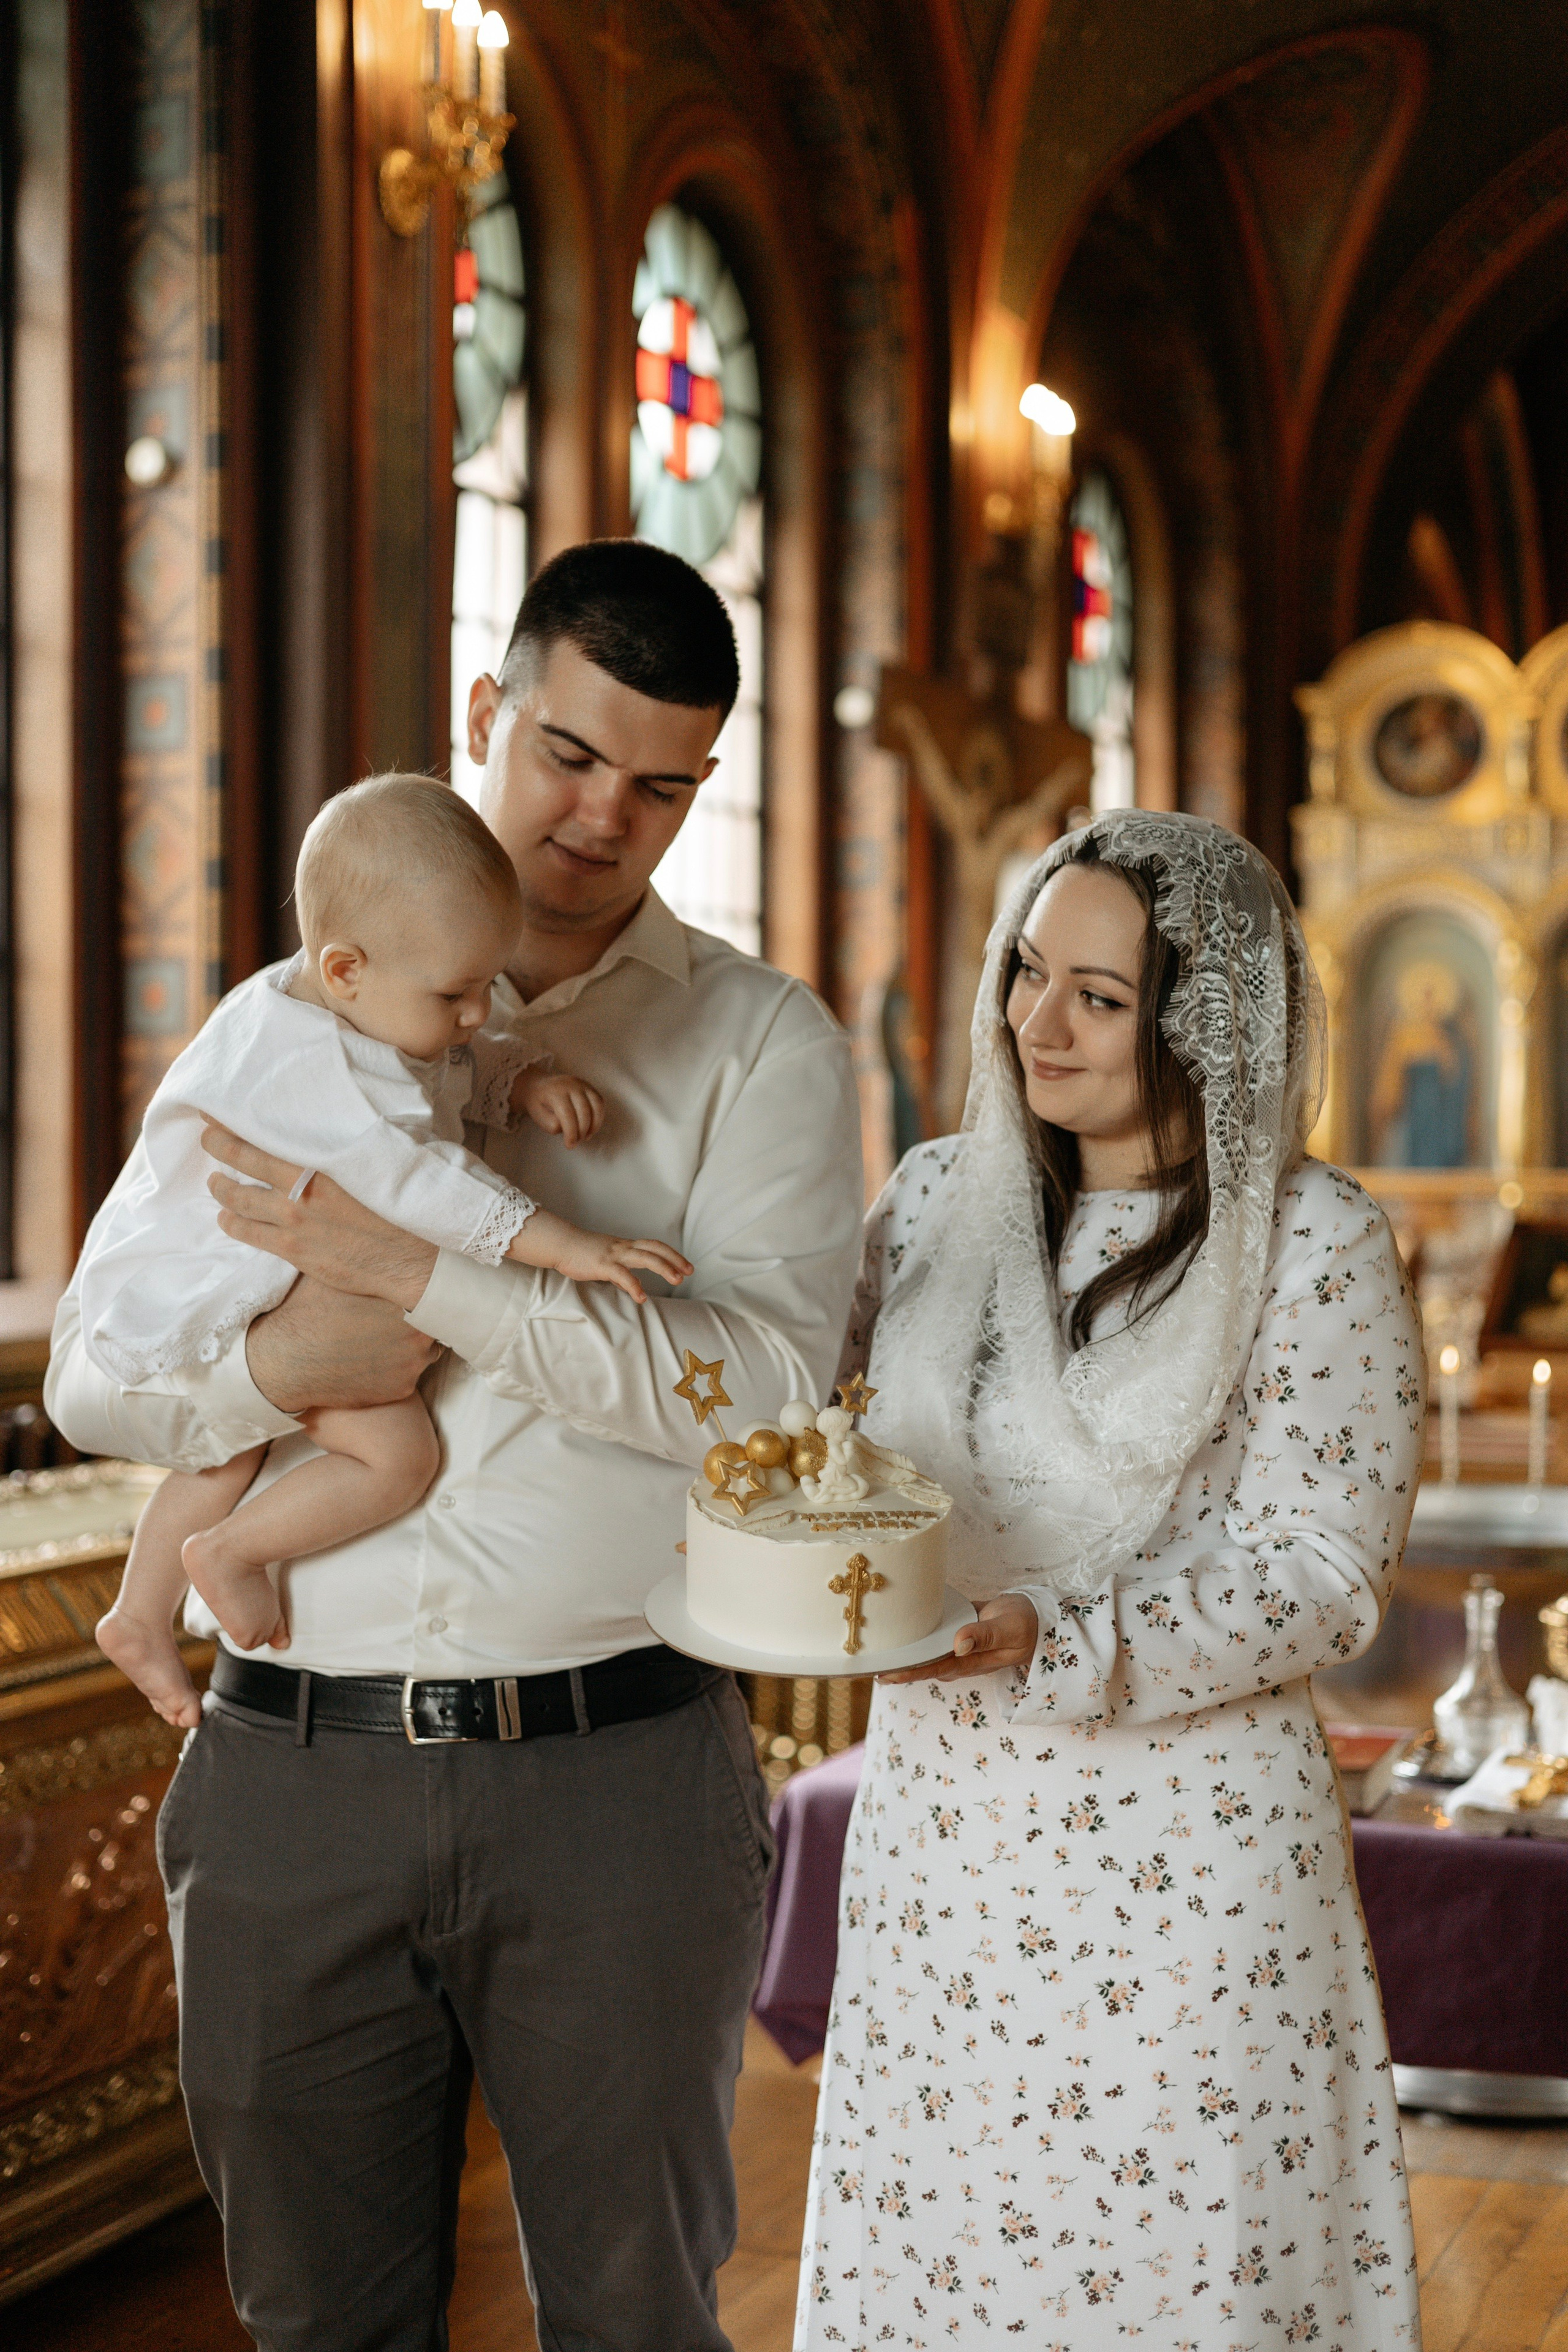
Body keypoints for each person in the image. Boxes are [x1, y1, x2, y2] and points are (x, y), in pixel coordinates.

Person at [46, 538, 864, 2352]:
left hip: (620, 1780)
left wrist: (422, 1274)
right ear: (489, 710)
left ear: (700, 789)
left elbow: (764, 1399)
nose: (600, 817)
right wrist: (296, 1356)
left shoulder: (759, 1048)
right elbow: (100, 1379)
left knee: (637, 2319)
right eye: (570, 754)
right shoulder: (286, 1023)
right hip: (284, 1772)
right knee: (319, 2327)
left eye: (658, 786)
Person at [796, 812, 1425, 2348]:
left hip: (1183, 1865)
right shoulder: (937, 1201)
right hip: (944, 1838)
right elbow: (838, 1451)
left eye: (1095, 995)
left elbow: (1326, 1572)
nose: (1033, 1021)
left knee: (1178, 2272)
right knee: (947, 2260)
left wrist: (1055, 1635)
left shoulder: (1312, 1243)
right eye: (1024, 971)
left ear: (1202, 1021)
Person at [85, 770, 689, 1728]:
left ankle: (137, 1609)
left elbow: (444, 1060)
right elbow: (420, 1183)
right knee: (396, 1457)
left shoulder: (350, 1005)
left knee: (226, 1447)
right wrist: (566, 1245)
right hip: (239, 1270)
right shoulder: (311, 1066)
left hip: (266, 1271)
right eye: (457, 992)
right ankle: (231, 1554)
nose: (480, 1014)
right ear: (346, 970)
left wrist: (517, 1078)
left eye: (488, 985)